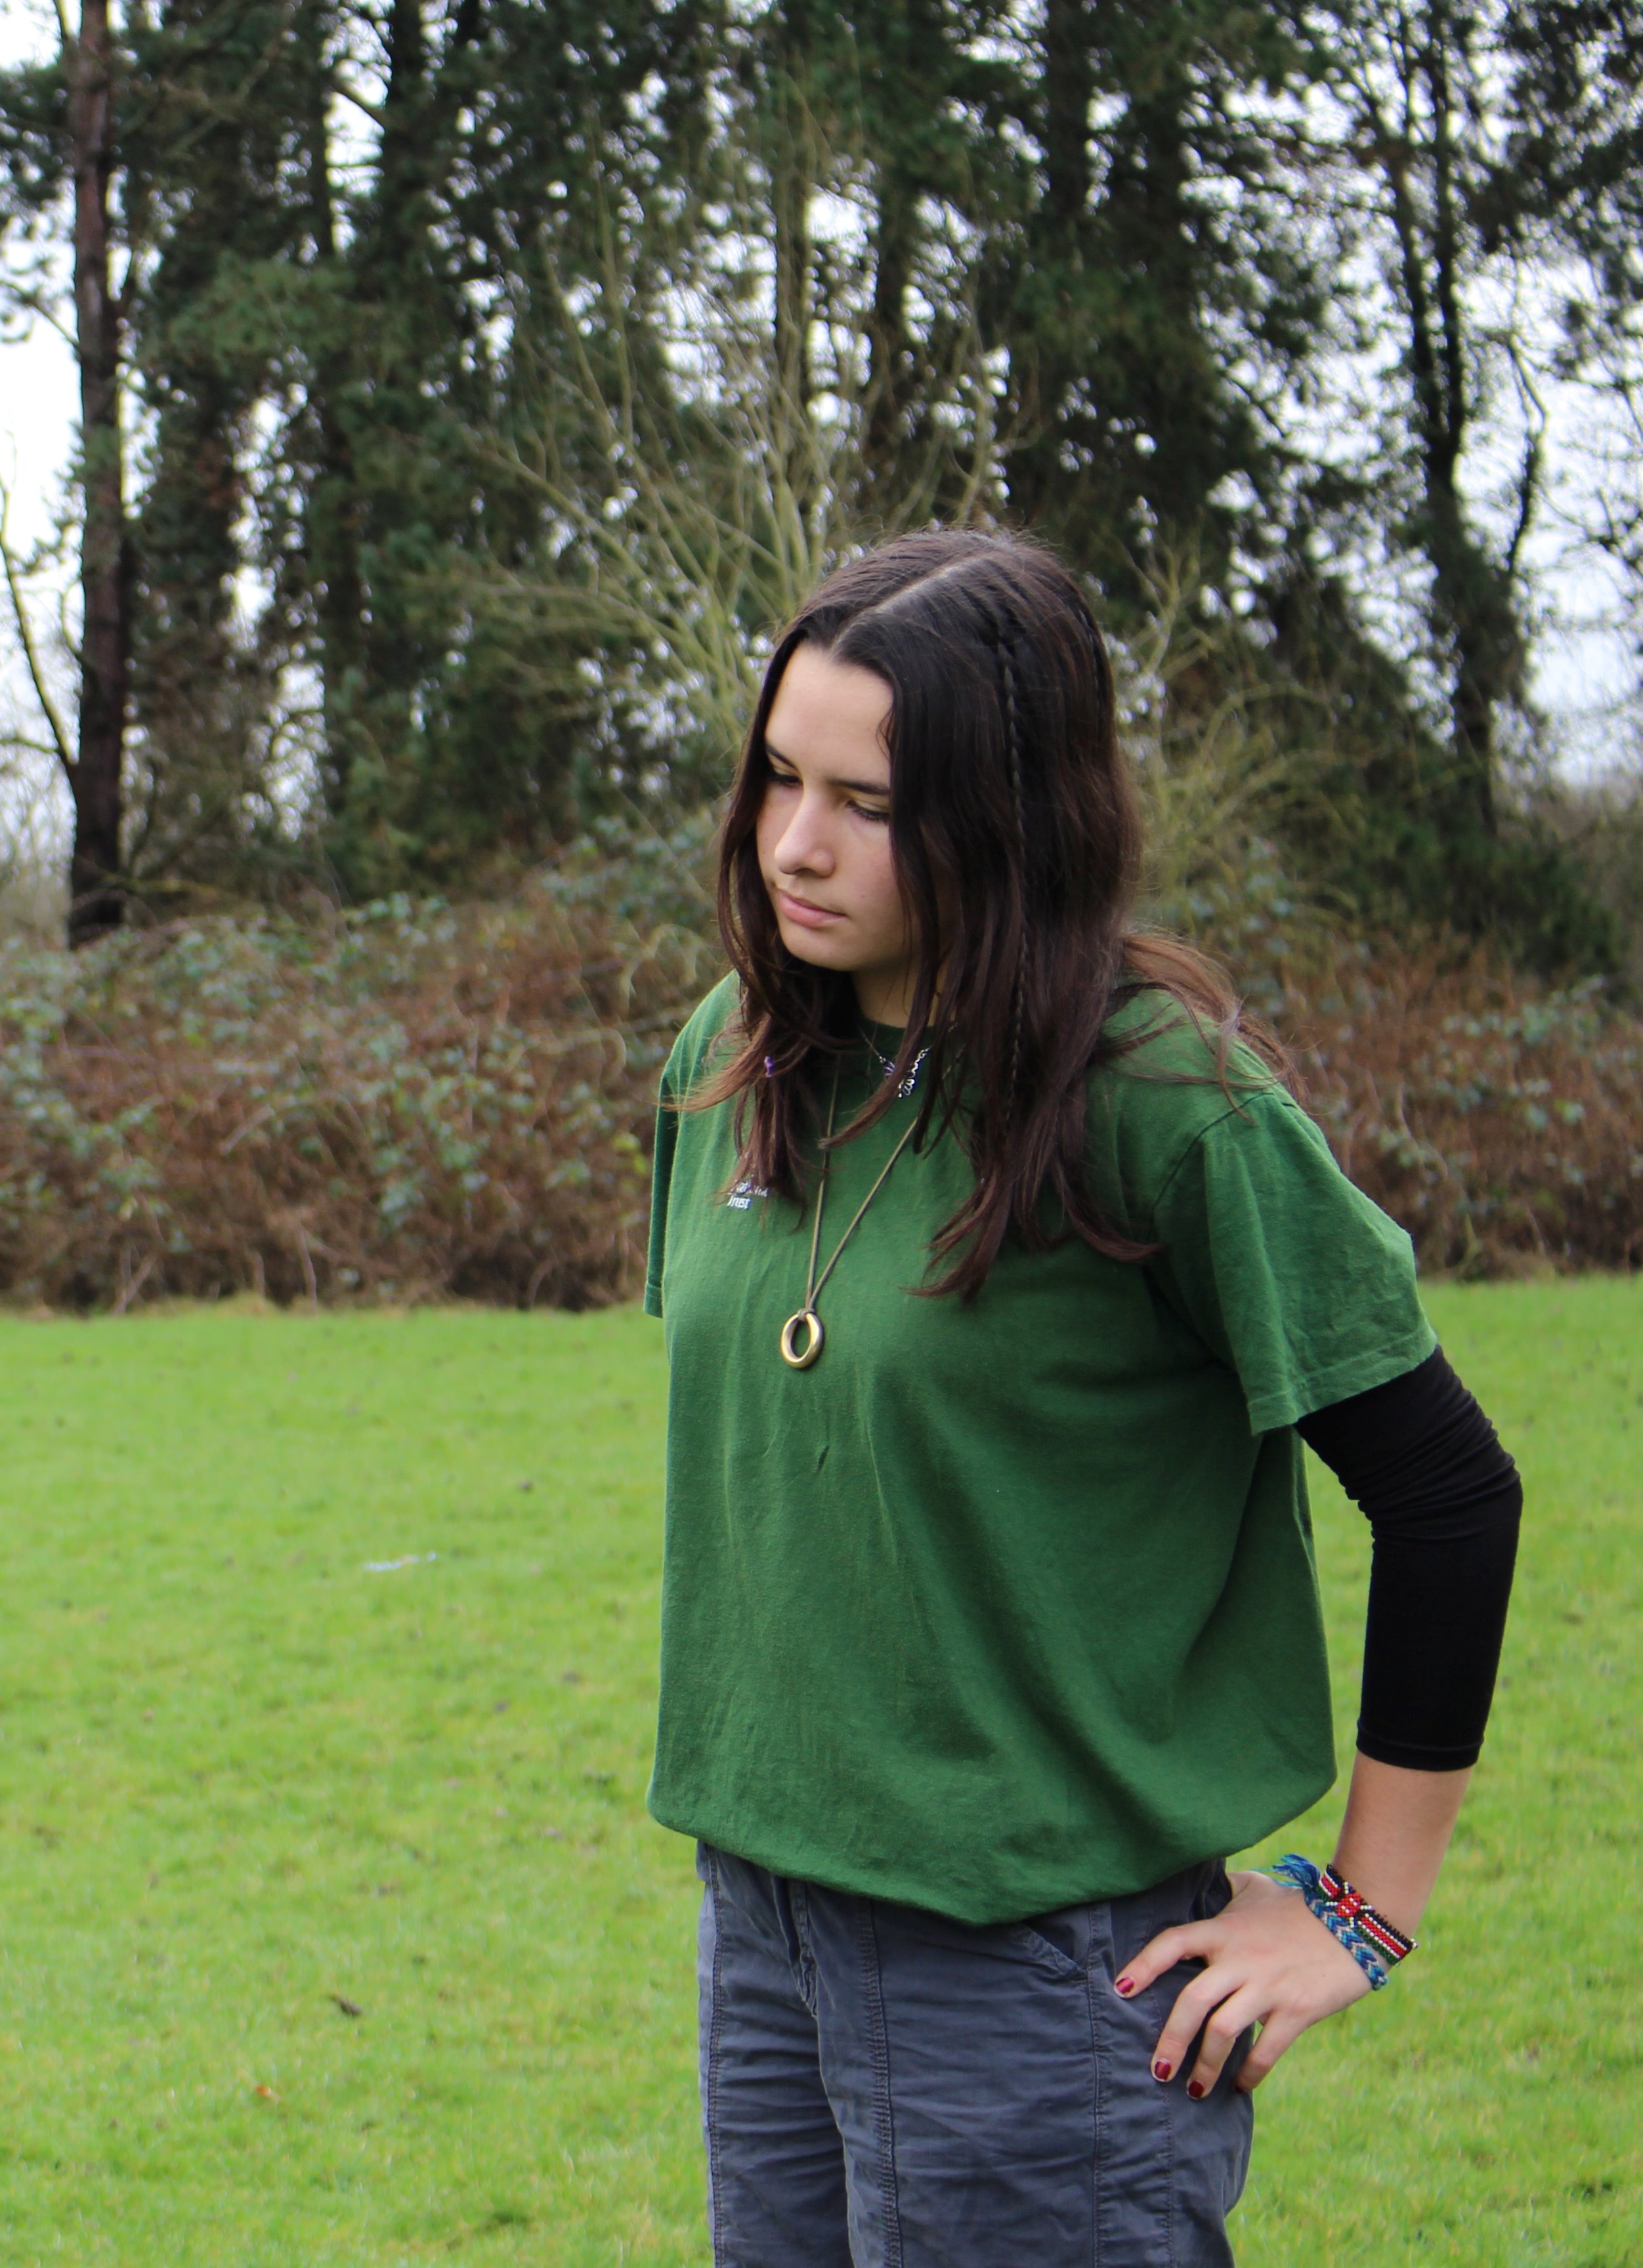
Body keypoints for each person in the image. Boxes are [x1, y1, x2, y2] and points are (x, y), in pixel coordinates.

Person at [642, 528, 1523, 2264]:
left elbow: (1448, 1491)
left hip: (1037, 1971)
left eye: (872, 804)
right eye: (777, 778)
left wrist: (1361, 1909)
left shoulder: (1162, 1104)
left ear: (1009, 816)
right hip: (766, 1929)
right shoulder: (730, 1061)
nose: (798, 844)